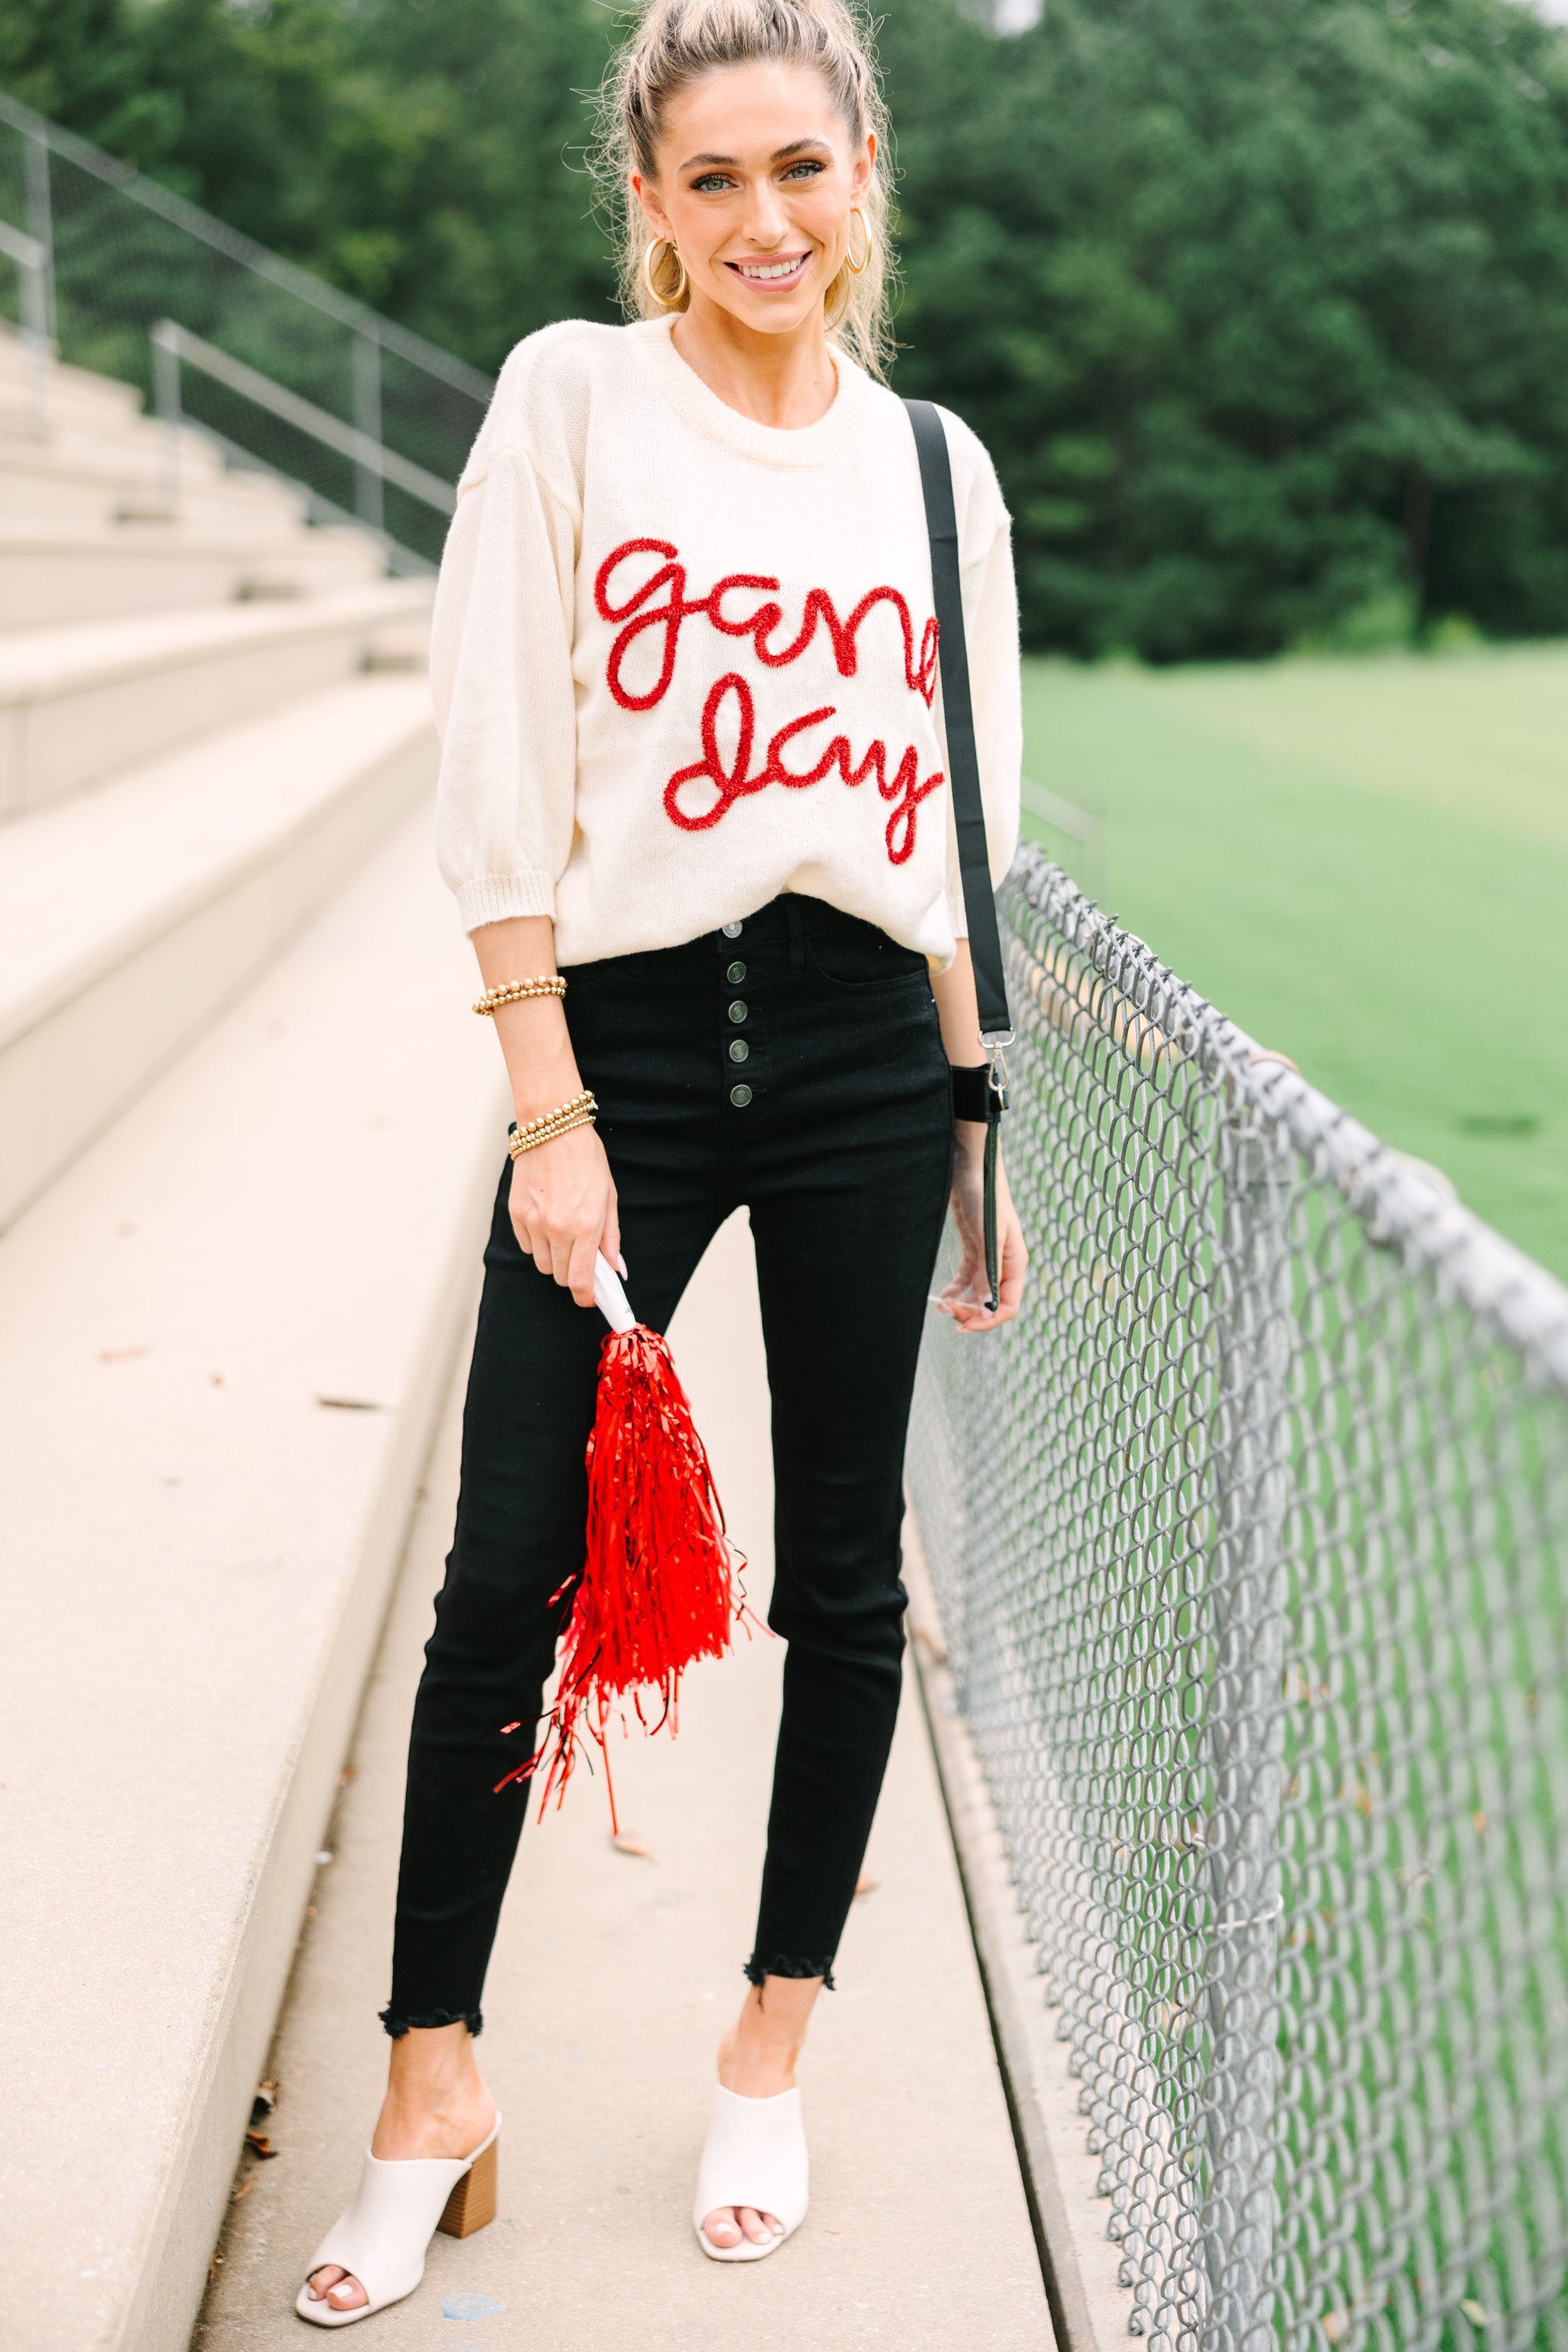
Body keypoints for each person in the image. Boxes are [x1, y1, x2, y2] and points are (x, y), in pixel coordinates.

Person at [297, 0, 1026, 2322]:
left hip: (856, 1060)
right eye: (710, 181)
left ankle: (772, 2037)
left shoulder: (935, 471)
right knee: (510, 1559)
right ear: (646, 198)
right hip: (615, 1041)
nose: (762, 224)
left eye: (798, 171)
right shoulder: (575, 400)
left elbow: (962, 832)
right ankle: (434, 2080)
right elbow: (496, 754)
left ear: (865, 176)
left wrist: (977, 1121)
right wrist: (548, 1110)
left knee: (838, 1579)